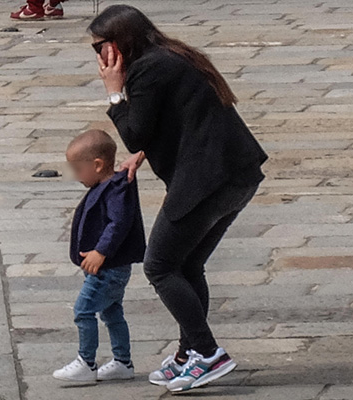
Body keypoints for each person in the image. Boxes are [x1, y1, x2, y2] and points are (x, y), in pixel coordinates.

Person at [87, 5, 269, 393]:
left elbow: (135, 131)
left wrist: (115, 94)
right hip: (235, 173)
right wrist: (145, 152)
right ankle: (190, 355)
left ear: (118, 44)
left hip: (208, 180)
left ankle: (207, 352)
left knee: (160, 265)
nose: (98, 57)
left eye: (98, 47)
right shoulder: (170, 56)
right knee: (187, 264)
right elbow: (178, 116)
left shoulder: (146, 71)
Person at [52, 129, 147, 383]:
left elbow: (119, 223)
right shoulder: (105, 185)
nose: (75, 176)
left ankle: (86, 362)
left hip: (109, 268)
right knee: (112, 312)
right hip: (103, 268)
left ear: (97, 165)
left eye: (78, 169)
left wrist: (101, 251)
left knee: (83, 311)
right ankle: (122, 362)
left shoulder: (117, 188)